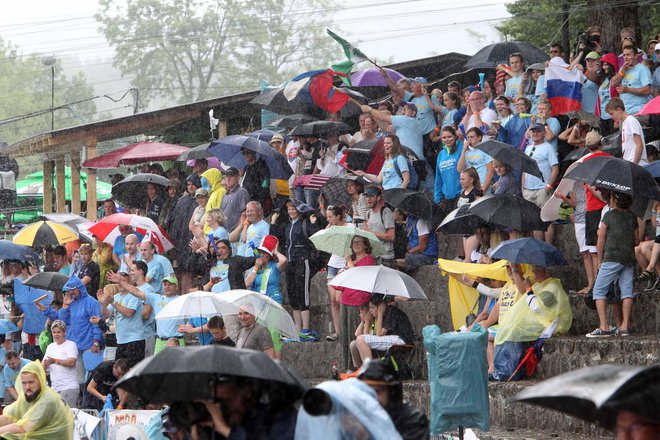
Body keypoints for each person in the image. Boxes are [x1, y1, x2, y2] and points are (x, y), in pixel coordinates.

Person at [491, 264, 572, 381]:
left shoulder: (552, 288)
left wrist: (529, 289)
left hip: (550, 325)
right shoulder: (541, 285)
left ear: (544, 271)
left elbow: (538, 308)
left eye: (536, 269)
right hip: (541, 322)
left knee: (514, 332)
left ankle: (508, 371)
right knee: (509, 329)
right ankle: (501, 370)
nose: (533, 272)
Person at [587, 192, 639, 338]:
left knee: (599, 291)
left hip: (611, 257)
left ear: (615, 200)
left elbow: (600, 240)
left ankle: (604, 327)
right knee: (627, 291)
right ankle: (624, 327)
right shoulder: (632, 217)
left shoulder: (608, 216)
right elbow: (636, 240)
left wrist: (599, 260)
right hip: (628, 258)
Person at [37, 276, 103, 384]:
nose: (71, 292)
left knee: (91, 377)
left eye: (73, 289)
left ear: (80, 287)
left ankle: (88, 399)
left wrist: (96, 342)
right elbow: (62, 320)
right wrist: (48, 309)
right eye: (69, 290)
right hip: (74, 345)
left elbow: (96, 324)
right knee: (79, 378)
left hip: (89, 345)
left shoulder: (91, 302)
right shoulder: (71, 303)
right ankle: (81, 399)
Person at [271, 200, 320, 336]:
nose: (291, 212)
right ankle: (297, 329)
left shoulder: (304, 223)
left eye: (293, 209)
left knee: (302, 293)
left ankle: (305, 328)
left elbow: (315, 237)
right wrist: (273, 223)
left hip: (302, 261)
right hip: (290, 262)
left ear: (299, 210)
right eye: (289, 209)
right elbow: (275, 236)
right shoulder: (286, 225)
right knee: (292, 294)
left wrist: (313, 223)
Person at [194, 375, 297, 440]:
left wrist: (226, 430)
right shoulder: (223, 422)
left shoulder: (278, 417)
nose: (222, 408)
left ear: (246, 391)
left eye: (228, 400)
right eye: (217, 402)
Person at [107, 268, 184, 354]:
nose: (167, 287)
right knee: (157, 367)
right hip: (160, 341)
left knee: (178, 367)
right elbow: (137, 292)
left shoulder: (182, 300)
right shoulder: (157, 298)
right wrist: (120, 282)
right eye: (165, 284)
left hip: (177, 340)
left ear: (176, 287)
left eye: (170, 284)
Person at [333, 235, 377, 372]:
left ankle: (354, 367)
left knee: (354, 334)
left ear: (365, 244)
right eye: (354, 242)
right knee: (344, 336)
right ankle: (346, 367)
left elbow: (361, 278)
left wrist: (349, 263)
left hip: (358, 300)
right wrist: (342, 272)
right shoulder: (351, 262)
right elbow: (339, 285)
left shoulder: (369, 259)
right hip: (345, 300)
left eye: (359, 242)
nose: (356, 244)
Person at [357, 359, 429, 440]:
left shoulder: (413, 419)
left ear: (391, 391)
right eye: (367, 391)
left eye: (377, 391)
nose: (372, 396)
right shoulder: (357, 417)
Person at [0, 360, 74, 438]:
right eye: (24, 383)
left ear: (40, 381)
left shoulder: (47, 400)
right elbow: (8, 418)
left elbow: (23, 428)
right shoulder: (27, 395)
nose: (27, 387)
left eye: (31, 382)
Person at [244, 235, 287, 358]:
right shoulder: (254, 269)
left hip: (273, 303)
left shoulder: (274, 267)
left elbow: (284, 261)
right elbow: (247, 283)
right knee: (261, 337)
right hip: (258, 305)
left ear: (270, 256)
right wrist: (256, 268)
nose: (262, 256)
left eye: (265, 254)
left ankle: (277, 368)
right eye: (260, 253)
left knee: (274, 336)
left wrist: (276, 251)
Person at [353, 294, 414, 370]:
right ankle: (367, 369)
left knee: (361, 339)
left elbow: (379, 334)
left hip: (402, 339)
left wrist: (380, 313)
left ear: (380, 306)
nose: (370, 310)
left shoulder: (392, 312)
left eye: (372, 307)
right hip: (395, 338)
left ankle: (370, 371)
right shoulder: (386, 313)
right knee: (359, 340)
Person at [99, 271, 146, 367]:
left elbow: (129, 313)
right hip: (121, 340)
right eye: (118, 281)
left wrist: (113, 303)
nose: (119, 284)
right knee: (119, 372)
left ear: (129, 283)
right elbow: (106, 315)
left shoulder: (134, 296)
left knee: (132, 372)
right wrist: (103, 304)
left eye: (122, 281)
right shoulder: (116, 297)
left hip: (134, 340)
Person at [522, 123, 559, 242]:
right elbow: (524, 169)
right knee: (535, 221)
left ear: (543, 133)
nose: (535, 134)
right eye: (533, 131)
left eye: (538, 131)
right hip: (529, 189)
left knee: (547, 219)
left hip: (542, 189)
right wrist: (523, 187)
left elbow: (555, 168)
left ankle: (549, 248)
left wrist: (548, 186)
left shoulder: (548, 147)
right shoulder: (527, 148)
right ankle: (539, 248)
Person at [165, 173, 200, 294]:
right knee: (178, 270)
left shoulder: (199, 201)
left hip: (192, 240)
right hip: (179, 241)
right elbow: (173, 221)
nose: (190, 187)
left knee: (189, 271)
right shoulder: (181, 201)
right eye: (188, 184)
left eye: (193, 184)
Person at [320, 205, 346, 342]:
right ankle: (337, 331)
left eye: (331, 217)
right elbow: (323, 243)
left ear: (338, 216)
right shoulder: (331, 228)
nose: (328, 219)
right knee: (333, 301)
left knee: (339, 299)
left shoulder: (348, 226)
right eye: (327, 217)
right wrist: (327, 231)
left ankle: (345, 328)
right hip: (333, 264)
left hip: (344, 264)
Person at [42, 320, 78, 407]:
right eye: (54, 332)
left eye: (59, 332)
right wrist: (44, 364)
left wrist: (55, 361)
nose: (56, 334)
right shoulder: (50, 347)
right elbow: (43, 363)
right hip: (54, 388)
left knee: (66, 415)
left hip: (69, 386)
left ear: (64, 333)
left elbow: (71, 362)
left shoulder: (71, 345)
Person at [605, 97, 648, 165]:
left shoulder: (631, 121)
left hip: (638, 163)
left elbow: (639, 145)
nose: (611, 117)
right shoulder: (624, 122)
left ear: (619, 110)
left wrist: (635, 164)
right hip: (630, 162)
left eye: (612, 113)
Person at [612, 46, 652, 115]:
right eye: (624, 55)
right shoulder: (623, 68)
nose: (626, 57)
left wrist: (628, 90)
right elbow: (613, 84)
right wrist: (622, 71)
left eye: (628, 55)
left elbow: (647, 90)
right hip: (625, 112)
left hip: (639, 111)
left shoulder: (642, 69)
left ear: (636, 56)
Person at [362, 186, 395, 265]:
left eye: (371, 196)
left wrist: (371, 233)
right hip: (373, 256)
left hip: (385, 257)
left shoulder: (386, 212)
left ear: (378, 198)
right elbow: (366, 233)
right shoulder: (368, 213)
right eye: (366, 196)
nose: (368, 199)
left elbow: (391, 236)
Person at [433, 126, 463, 211]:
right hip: (447, 199)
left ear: (455, 136)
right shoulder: (441, 154)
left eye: (449, 137)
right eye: (444, 138)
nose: (447, 140)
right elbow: (438, 179)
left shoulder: (462, 148)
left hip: (461, 195)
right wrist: (437, 199)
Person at [457, 127, 494, 193]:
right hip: (470, 187)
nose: (469, 140)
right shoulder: (467, 152)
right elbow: (460, 169)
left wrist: (483, 189)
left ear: (479, 137)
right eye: (468, 137)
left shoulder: (485, 150)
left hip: (482, 186)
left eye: (472, 137)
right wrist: (464, 150)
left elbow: (491, 170)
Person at [219, 167, 249, 232]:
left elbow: (244, 214)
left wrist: (237, 231)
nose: (228, 179)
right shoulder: (225, 194)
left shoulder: (242, 192)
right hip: (224, 233)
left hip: (235, 235)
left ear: (237, 178)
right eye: (226, 176)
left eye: (231, 176)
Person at [200, 168, 226, 233]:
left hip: (214, 230)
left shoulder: (221, 191)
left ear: (213, 178)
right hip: (209, 230)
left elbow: (218, 212)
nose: (207, 182)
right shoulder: (213, 193)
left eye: (208, 179)